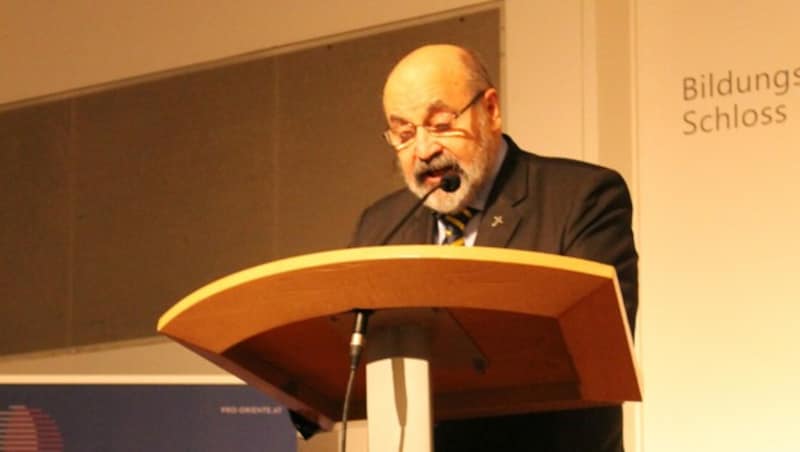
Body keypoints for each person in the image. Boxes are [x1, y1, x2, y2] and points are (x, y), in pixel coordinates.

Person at [349, 44, 638, 452]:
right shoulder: (379, 227)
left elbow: (595, 358)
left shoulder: (581, 198)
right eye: (404, 133)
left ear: (491, 110)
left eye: (442, 123)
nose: (424, 149)